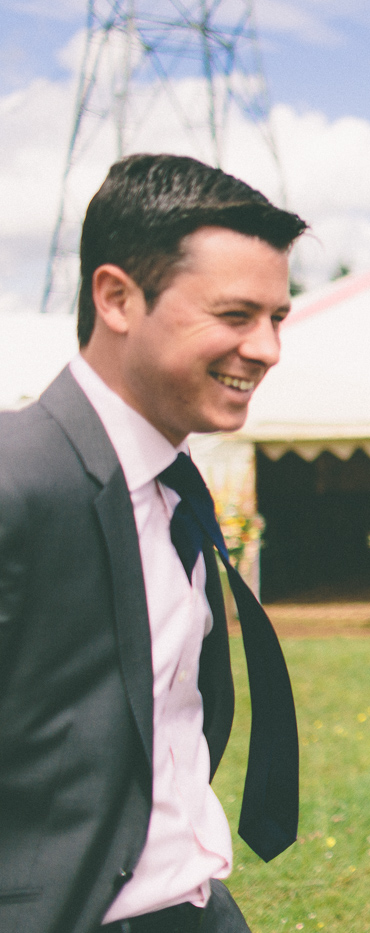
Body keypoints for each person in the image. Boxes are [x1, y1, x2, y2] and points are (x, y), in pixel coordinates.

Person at [0, 154, 307, 933]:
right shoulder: (17, 483)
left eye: (278, 318)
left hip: (197, 903)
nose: (268, 348)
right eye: (236, 316)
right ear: (117, 298)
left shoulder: (175, 480)